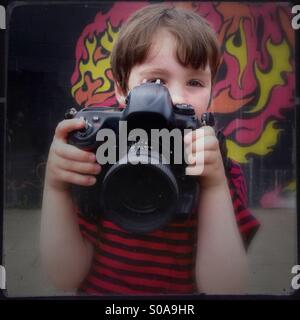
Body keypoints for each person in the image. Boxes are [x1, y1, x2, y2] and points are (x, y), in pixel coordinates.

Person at [40, 3, 259, 295]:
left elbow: (226, 289)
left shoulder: (220, 171)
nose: (176, 97)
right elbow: (65, 278)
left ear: (211, 91)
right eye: (155, 81)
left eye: (195, 81)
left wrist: (214, 186)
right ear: (121, 88)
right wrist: (56, 188)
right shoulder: (99, 156)